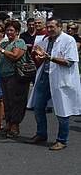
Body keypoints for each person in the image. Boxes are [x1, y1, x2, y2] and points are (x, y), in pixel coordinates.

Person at [29, 18, 81, 150]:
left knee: (62, 110)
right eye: (48, 27)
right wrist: (38, 55)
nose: (50, 29)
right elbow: (41, 57)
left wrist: (49, 57)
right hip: (45, 77)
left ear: (60, 27)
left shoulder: (69, 40)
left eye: (52, 27)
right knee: (38, 106)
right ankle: (41, 133)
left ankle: (62, 140)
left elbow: (70, 62)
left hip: (61, 79)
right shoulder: (46, 40)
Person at [0, 20, 28, 137]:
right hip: (3, 75)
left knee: (16, 101)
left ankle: (15, 125)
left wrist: (0, 49)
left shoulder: (19, 42)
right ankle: (8, 123)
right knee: (7, 101)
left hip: (14, 76)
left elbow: (15, 56)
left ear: (17, 32)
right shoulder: (4, 44)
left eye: (11, 30)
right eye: (8, 30)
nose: (9, 32)